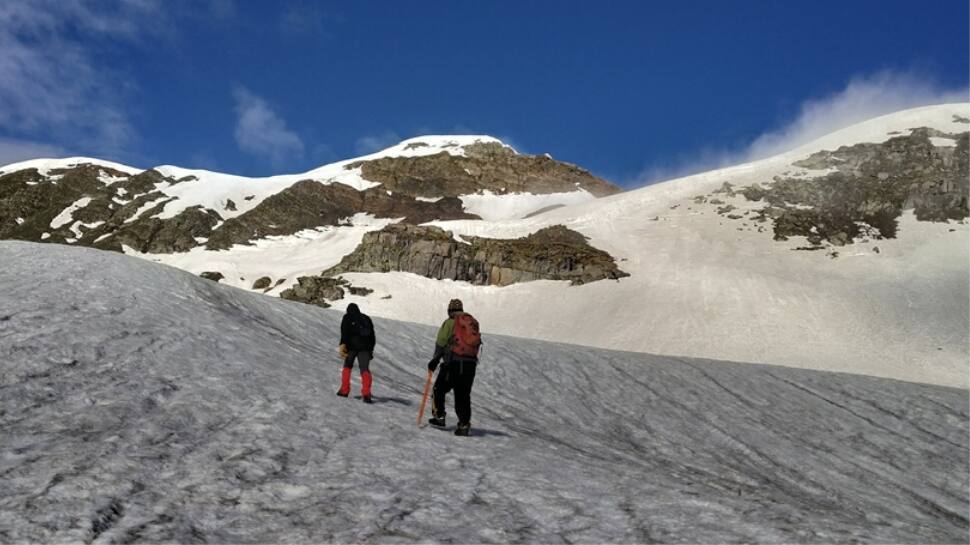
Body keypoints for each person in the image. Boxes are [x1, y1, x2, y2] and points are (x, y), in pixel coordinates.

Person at [427, 298, 481, 436]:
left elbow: (441, 343)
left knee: (439, 389)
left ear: (449, 310)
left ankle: (439, 416)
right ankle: (463, 425)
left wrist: (435, 360)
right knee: (463, 395)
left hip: (453, 363)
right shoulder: (471, 323)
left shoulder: (450, 322)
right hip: (470, 364)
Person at [337, 303, 376, 403]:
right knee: (365, 369)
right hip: (365, 348)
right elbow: (372, 336)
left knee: (347, 366)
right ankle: (366, 393)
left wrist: (343, 344)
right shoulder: (366, 318)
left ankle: (344, 390)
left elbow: (344, 332)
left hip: (351, 347)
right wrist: (370, 350)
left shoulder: (347, 317)